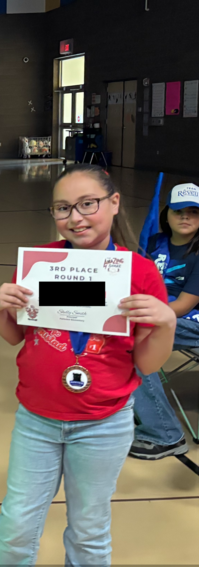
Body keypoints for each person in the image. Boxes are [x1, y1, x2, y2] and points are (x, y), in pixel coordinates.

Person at [0, 165, 175, 567]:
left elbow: (146, 362)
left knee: (88, 528)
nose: (76, 218)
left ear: (114, 203)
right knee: (16, 525)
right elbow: (13, 336)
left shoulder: (140, 273)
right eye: (64, 208)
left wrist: (165, 321)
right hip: (38, 421)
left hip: (103, 424)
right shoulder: (40, 265)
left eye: (88, 204)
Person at [129, 183, 199, 459]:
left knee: (138, 338)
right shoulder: (154, 242)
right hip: (158, 313)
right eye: (179, 211)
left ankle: (165, 435)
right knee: (123, 332)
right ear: (166, 214)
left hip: (190, 320)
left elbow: (183, 305)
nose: (185, 218)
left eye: (194, 212)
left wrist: (144, 312)